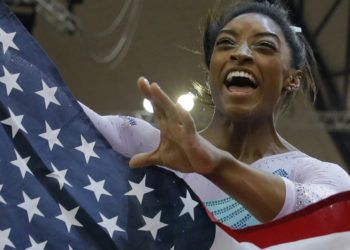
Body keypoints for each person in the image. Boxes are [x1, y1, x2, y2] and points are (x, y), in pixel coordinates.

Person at [80, 0, 350, 229]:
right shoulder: (144, 145)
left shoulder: (314, 173)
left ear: (292, 79)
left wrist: (217, 166)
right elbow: (51, 118)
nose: (241, 54)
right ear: (211, 69)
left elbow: (328, 219)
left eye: (264, 46)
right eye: (226, 44)